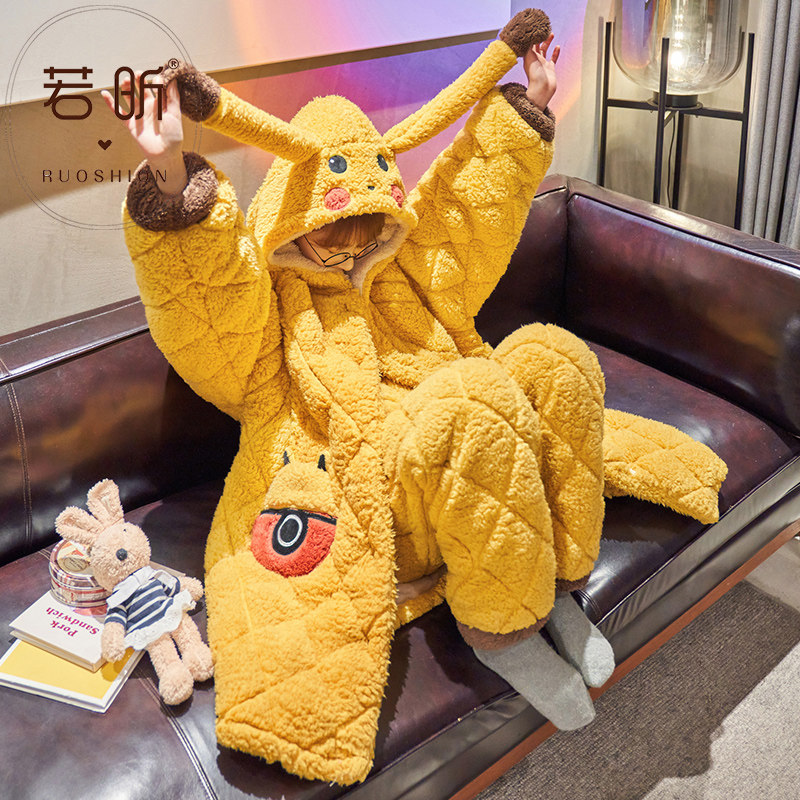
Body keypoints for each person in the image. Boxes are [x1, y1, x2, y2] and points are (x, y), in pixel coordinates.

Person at [103, 8, 725, 784]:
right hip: (373, 495)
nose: (352, 246)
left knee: (553, 359)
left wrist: (528, 106)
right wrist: (170, 176)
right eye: (332, 232)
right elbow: (206, 308)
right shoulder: (270, 328)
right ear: (293, 220)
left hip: (481, 478)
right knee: (474, 402)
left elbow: (471, 209)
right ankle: (504, 633)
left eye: (368, 225)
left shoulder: (409, 271)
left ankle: (557, 587)